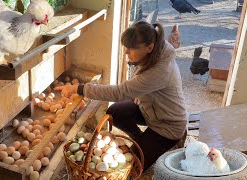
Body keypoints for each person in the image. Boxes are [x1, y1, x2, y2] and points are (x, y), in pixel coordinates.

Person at [54, 20, 187, 171]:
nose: (126, 52)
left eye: (131, 49)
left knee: (131, 167)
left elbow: (119, 92)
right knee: (115, 112)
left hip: (168, 126)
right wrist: (140, 94)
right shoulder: (156, 49)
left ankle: (154, 144)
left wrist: (80, 89)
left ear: (149, 47)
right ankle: (140, 139)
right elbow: (137, 85)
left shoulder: (160, 71)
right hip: (152, 112)